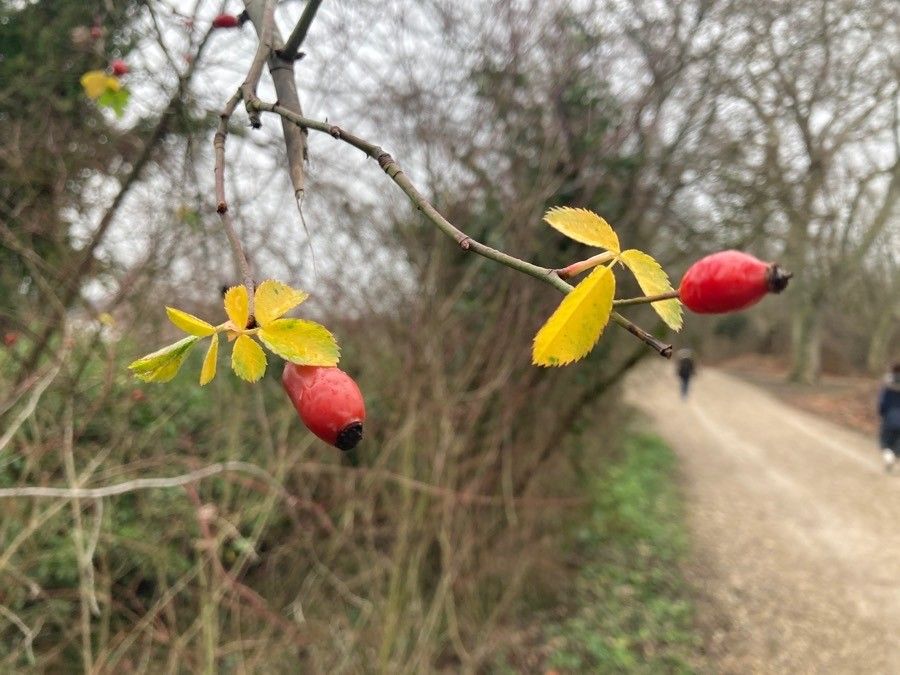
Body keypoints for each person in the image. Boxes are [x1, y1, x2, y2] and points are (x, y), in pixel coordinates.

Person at [878, 363, 900, 472]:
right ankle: (894, 455)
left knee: (886, 442)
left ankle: (889, 458)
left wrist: (882, 413)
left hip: (890, 417)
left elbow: (882, 402)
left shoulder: (887, 385)